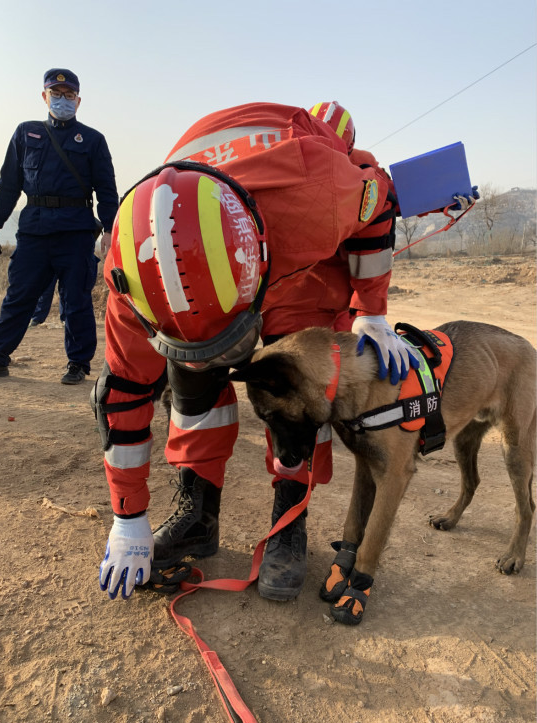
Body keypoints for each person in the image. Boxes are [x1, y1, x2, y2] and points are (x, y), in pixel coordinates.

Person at [95, 101, 476, 602]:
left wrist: (370, 309)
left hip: (301, 269)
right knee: (190, 381)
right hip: (237, 232)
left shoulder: (316, 192)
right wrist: (128, 515)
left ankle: (289, 517)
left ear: (258, 254)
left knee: (301, 382)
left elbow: (378, 202)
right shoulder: (134, 277)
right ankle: (197, 512)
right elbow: (123, 393)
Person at [0, 68, 119, 385]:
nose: (62, 99)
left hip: (75, 233)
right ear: (44, 96)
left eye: (68, 95)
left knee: (76, 300)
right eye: (56, 94)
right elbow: (8, 186)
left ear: (78, 100)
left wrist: (109, 229)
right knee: (18, 296)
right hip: (33, 232)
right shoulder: (25, 133)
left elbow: (107, 188)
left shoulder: (92, 140)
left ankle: (78, 364)